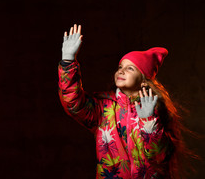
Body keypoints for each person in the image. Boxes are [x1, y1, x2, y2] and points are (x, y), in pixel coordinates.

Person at [58, 24, 195, 179]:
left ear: (144, 80)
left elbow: (160, 157)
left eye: (130, 68)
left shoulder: (155, 109)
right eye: (120, 66)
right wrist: (68, 61)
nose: (121, 70)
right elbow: (73, 103)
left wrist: (149, 121)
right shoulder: (103, 107)